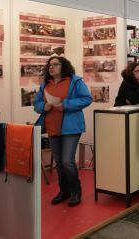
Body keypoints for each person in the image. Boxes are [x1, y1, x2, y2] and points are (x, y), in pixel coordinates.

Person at [34, 56, 93, 207]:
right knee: (59, 162)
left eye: (55, 64)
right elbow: (36, 104)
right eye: (49, 65)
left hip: (71, 127)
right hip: (52, 126)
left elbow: (87, 99)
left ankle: (75, 191)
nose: (51, 67)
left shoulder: (75, 81)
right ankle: (64, 191)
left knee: (67, 161)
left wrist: (65, 104)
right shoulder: (45, 85)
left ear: (63, 66)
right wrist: (43, 107)